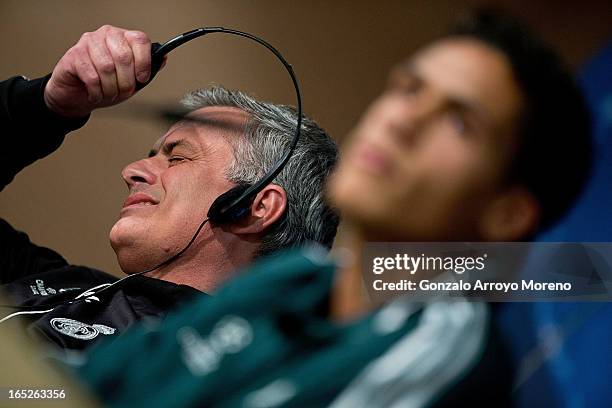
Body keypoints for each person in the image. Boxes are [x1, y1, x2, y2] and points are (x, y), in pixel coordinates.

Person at [76, 10, 591, 407]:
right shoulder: (294, 280)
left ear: (506, 213)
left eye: (459, 123)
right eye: (409, 89)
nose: (401, 121)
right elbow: (85, 387)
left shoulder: (441, 350)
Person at [0, 25, 339, 351]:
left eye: (176, 158)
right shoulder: (56, 280)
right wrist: (46, 104)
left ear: (254, 206)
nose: (131, 171)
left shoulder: (226, 376)